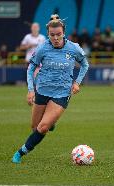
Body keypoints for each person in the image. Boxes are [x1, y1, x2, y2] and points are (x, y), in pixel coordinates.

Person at [12, 14, 89, 164]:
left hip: (62, 93)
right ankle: (51, 122)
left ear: (64, 33)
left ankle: (20, 153)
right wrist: (30, 90)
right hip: (42, 90)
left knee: (43, 127)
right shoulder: (42, 48)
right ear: (48, 34)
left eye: (58, 34)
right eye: (52, 35)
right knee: (35, 127)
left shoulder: (74, 48)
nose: (55, 38)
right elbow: (31, 67)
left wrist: (77, 82)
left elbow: (85, 64)